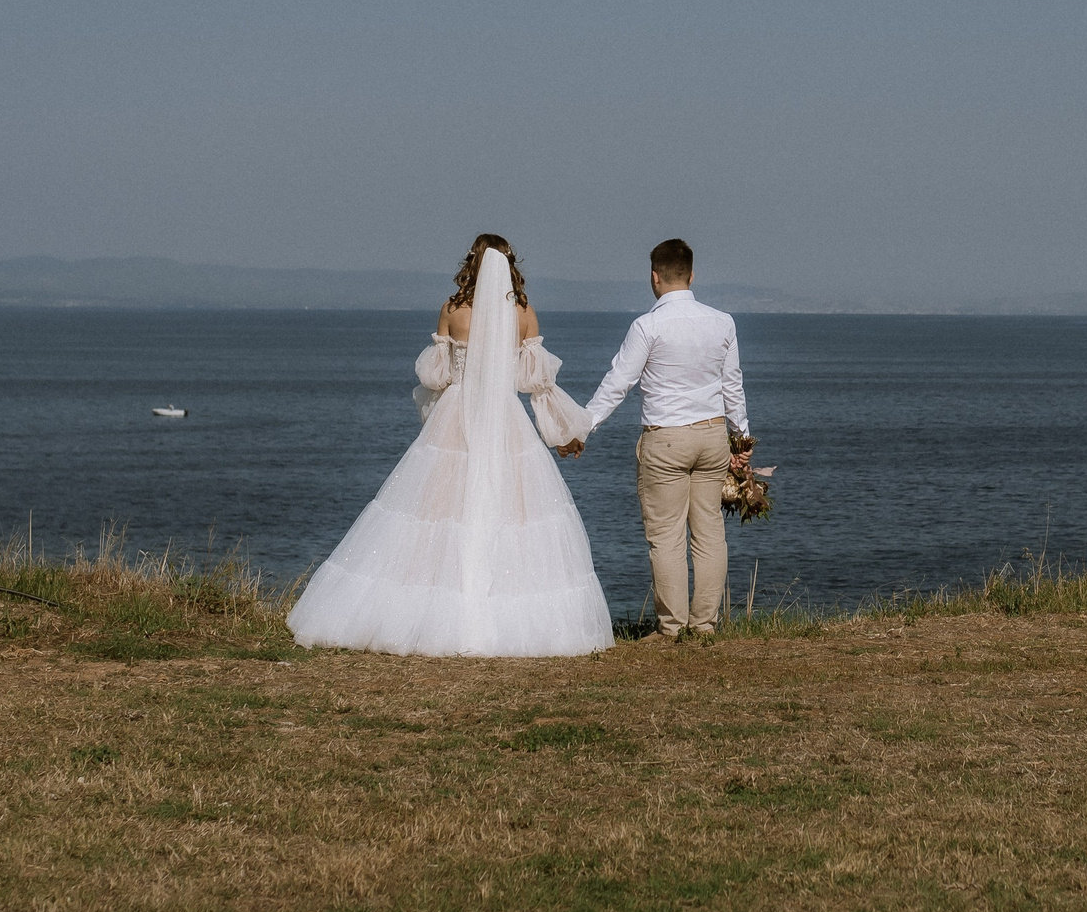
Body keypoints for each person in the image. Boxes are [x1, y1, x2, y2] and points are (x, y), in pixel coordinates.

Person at [285, 235, 611, 656]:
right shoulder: (524, 315)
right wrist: (566, 432)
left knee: (439, 510)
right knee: (511, 511)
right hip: (505, 417)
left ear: (472, 264)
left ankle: (434, 606)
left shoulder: (453, 311)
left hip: (457, 416)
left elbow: (436, 378)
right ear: (510, 266)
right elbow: (540, 387)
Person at [584, 238, 752, 639]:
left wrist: (581, 429)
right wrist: (742, 441)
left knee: (666, 536)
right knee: (710, 532)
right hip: (712, 436)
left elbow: (617, 385)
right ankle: (705, 625)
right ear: (692, 276)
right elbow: (733, 387)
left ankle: (672, 628)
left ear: (654, 278)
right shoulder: (722, 322)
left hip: (666, 441)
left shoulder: (647, 326)